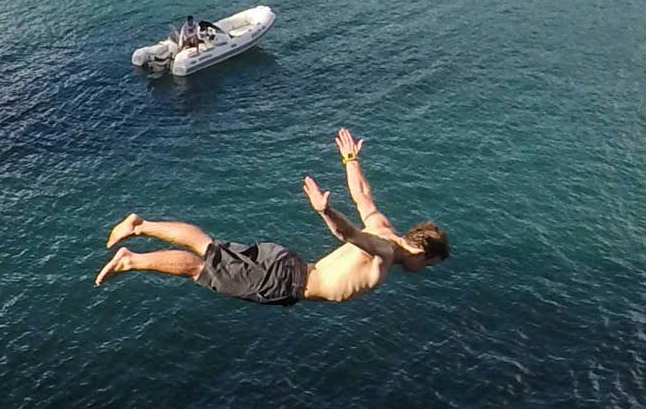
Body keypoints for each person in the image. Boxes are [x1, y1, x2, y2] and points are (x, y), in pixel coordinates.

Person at [95, 129, 449, 306]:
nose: (422, 271)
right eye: (429, 265)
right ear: (422, 253)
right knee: (199, 268)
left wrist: (350, 161)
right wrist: (326, 212)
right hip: (289, 282)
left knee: (208, 247)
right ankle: (131, 260)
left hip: (288, 265)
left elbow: (362, 195)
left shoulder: (383, 225)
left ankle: (140, 226)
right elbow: (352, 236)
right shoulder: (385, 252)